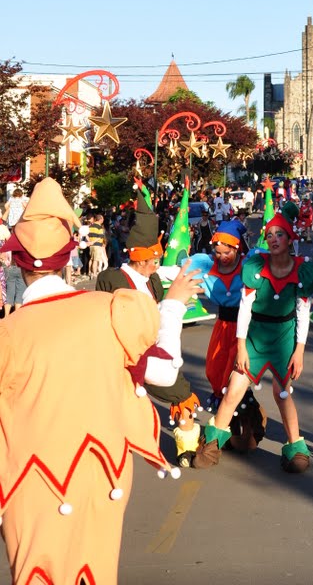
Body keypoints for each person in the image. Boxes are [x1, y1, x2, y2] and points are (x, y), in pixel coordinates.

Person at [0, 177, 201, 585]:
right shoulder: (112, 310)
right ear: (69, 256)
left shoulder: (9, 333)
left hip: (30, 480)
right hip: (100, 472)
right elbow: (163, 371)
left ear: (18, 263)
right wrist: (173, 307)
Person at [193, 207, 313, 472]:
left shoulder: (300, 271)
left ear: (290, 239)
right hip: (255, 336)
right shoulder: (255, 269)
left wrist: (299, 351)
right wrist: (240, 347)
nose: (273, 239)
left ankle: (295, 446)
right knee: (233, 390)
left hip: (284, 338)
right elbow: (245, 310)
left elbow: (302, 314)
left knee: (282, 393)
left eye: (279, 234)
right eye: (270, 234)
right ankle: (212, 444)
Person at [96, 182, 204, 467]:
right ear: (142, 258)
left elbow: (172, 273)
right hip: (124, 353)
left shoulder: (154, 278)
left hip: (154, 349)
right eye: (154, 258)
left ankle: (187, 447)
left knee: (180, 392)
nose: (158, 263)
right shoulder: (112, 278)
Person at [188, 219, 267, 454]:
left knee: (233, 378)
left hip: (244, 328)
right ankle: (238, 418)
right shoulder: (208, 267)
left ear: (236, 249)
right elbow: (181, 273)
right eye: (218, 252)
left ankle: (244, 420)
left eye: (227, 252)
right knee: (215, 372)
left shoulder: (247, 266)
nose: (222, 256)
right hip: (222, 326)